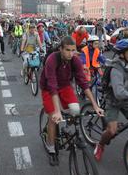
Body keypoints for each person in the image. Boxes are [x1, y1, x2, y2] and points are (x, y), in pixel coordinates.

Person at [40, 36, 104, 166]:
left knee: (75, 110)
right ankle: (52, 149)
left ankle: (67, 129)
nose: (71, 53)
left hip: (64, 86)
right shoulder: (52, 59)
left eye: (73, 50)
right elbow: (52, 86)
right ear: (61, 49)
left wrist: (95, 106)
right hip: (48, 88)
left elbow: (83, 83)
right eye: (67, 50)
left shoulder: (75, 60)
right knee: (53, 117)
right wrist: (57, 111)